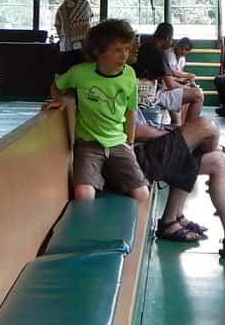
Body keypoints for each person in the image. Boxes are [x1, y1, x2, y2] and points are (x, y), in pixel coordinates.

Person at [131, 113, 225, 259]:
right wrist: (173, 135)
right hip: (133, 158)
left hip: (146, 146)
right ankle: (223, 150)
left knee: (218, 161)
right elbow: (130, 132)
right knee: (206, 126)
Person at [49, 19, 152, 207]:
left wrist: (130, 143)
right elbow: (57, 86)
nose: (124, 55)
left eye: (127, 49)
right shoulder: (79, 73)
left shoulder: (129, 75)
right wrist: (59, 101)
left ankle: (108, 175)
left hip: (118, 143)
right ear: (98, 52)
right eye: (117, 50)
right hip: (88, 145)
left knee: (142, 194)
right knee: (83, 195)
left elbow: (131, 112)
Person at [134, 22, 203, 127]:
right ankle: (189, 132)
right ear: (167, 37)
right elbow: (171, 84)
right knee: (198, 95)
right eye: (171, 39)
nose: (171, 42)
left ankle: (177, 125)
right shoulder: (159, 52)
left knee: (179, 96)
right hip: (150, 94)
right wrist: (188, 87)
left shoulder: (145, 46)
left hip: (143, 89)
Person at [52, 0, 94, 71]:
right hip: (69, 44)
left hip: (79, 43)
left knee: (79, 68)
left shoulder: (83, 4)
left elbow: (89, 18)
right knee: (69, 69)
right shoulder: (62, 9)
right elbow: (58, 25)